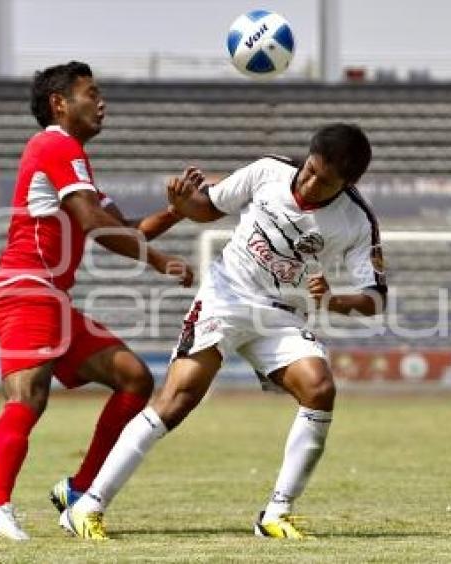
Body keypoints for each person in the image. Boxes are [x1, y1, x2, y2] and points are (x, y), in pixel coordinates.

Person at [61, 123, 387, 540]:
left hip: (282, 315)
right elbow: (208, 208)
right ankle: (87, 507)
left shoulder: (357, 221)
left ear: (348, 182)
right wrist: (182, 203)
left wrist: (335, 300)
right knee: (177, 400)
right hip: (227, 295)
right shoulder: (268, 171)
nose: (308, 183)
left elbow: (376, 297)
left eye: (323, 181)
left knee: (320, 389)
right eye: (309, 169)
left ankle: (276, 513)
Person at [0, 61, 194, 541]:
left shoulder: (73, 162)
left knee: (133, 378)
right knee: (29, 396)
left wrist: (175, 212)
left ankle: (79, 488)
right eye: (92, 93)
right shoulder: (54, 144)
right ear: (59, 103)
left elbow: (123, 228)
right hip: (25, 289)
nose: (101, 102)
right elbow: (92, 223)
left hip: (50, 298)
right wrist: (158, 261)